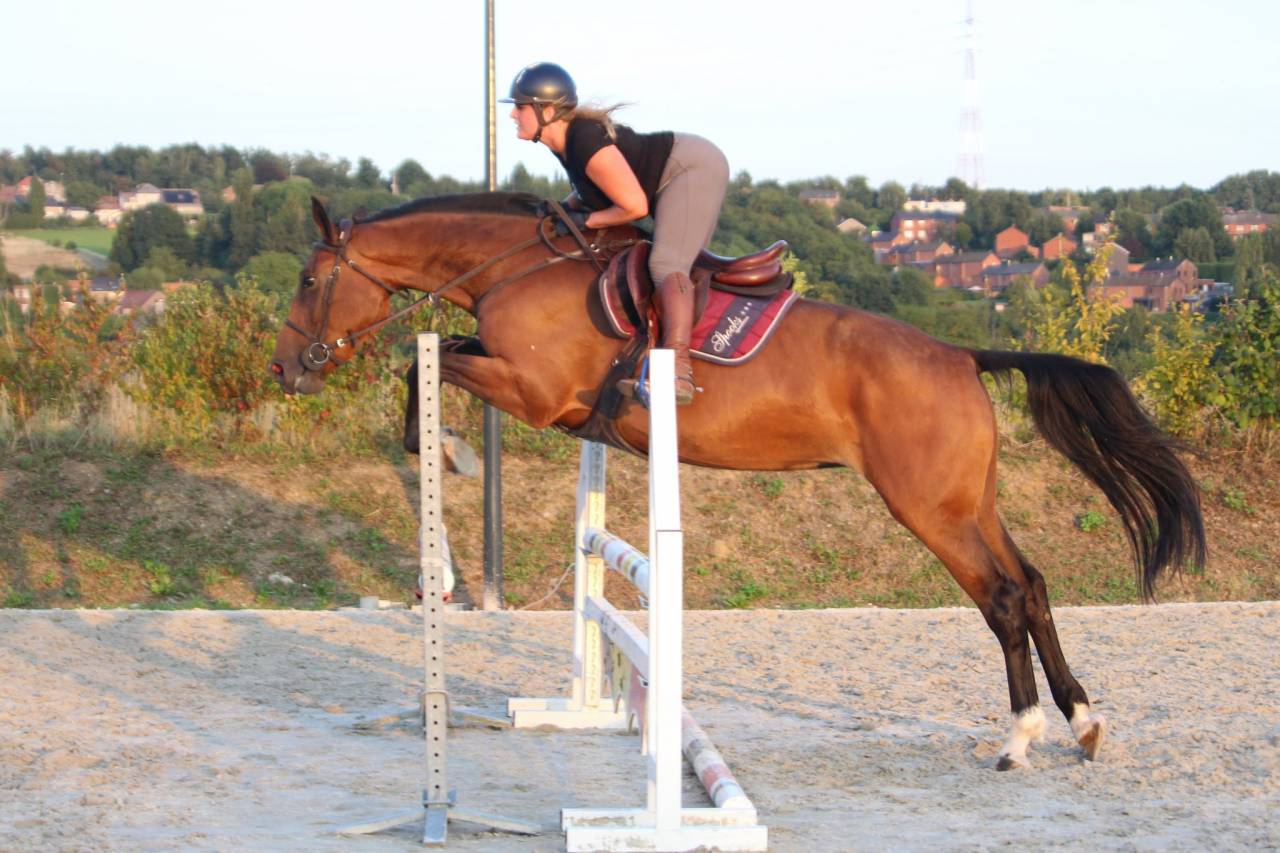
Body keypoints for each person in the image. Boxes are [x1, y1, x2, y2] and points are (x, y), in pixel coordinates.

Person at [502, 61, 729, 405]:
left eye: (519, 107)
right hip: (678, 170)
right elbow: (591, 190)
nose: (513, 115)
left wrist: (585, 221)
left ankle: (678, 371)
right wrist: (560, 212)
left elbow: (634, 206)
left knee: (666, 265)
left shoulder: (583, 140)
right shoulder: (568, 143)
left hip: (691, 168)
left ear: (546, 110)